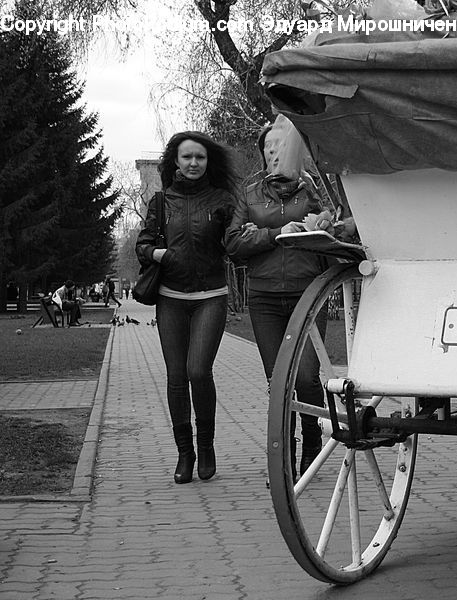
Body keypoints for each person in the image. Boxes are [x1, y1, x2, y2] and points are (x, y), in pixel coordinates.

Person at [226, 115, 355, 481]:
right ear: (263, 155)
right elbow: (233, 243)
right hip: (265, 299)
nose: (275, 153)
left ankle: (313, 447)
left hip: (307, 293)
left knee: (308, 378)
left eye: (281, 146)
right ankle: (285, 457)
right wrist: (274, 233)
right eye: (269, 148)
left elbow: (337, 223)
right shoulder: (249, 194)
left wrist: (326, 221)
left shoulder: (312, 190)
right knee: (278, 380)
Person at [135, 131, 239, 484]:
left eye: (200, 157)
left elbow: (236, 242)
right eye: (187, 157)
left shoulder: (223, 200)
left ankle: (206, 446)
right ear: (175, 162)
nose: (194, 163)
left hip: (211, 295)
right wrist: (157, 253)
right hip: (171, 299)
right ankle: (185, 454)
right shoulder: (161, 201)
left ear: (208, 161)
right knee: (177, 377)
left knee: (198, 371)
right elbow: (143, 244)